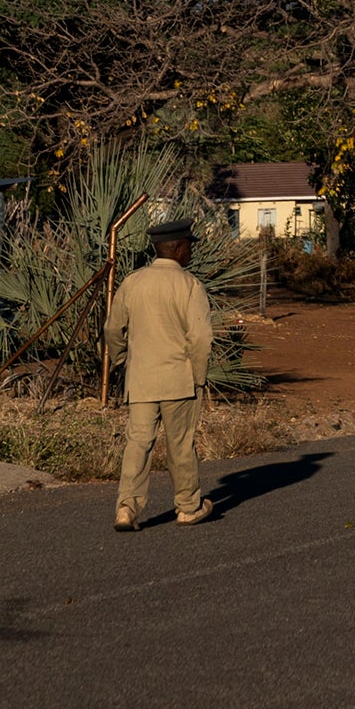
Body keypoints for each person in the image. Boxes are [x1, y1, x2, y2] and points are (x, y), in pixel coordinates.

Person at [105, 216, 215, 530]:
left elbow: (113, 329)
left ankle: (126, 509)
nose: (191, 252)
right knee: (180, 445)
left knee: (138, 443)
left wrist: (123, 358)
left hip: (140, 379)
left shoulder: (132, 282)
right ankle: (187, 507)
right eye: (189, 246)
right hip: (179, 380)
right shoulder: (190, 285)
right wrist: (198, 375)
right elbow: (201, 338)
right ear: (178, 248)